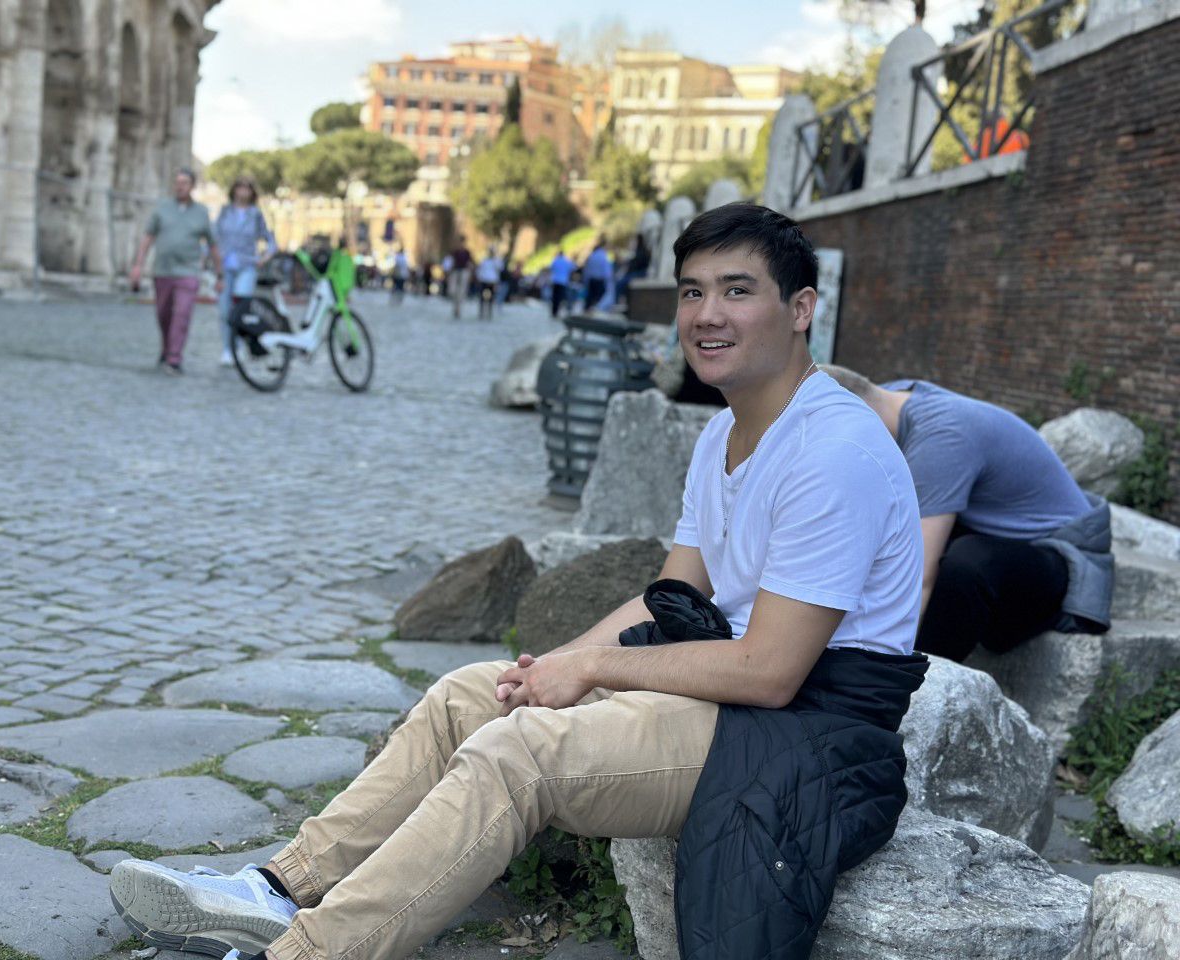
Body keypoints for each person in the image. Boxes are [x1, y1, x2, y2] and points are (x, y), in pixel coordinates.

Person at [108, 203, 928, 960]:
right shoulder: (723, 434)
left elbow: (772, 671)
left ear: (800, 308)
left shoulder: (834, 450)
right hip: (724, 696)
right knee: (478, 695)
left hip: (807, 731)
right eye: (692, 292)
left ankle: (310, 952)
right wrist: (548, 669)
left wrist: (595, 671)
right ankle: (280, 887)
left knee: (520, 752)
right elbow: (672, 601)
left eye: (737, 291)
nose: (707, 314)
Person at [822, 366, 1113, 662]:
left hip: (1063, 560)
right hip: (995, 536)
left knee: (965, 563)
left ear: (855, 414)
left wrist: (880, 664)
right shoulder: (889, 397)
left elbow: (917, 580)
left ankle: (926, 680)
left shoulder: (940, 439)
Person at [129, 168, 222, 375]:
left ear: (192, 186)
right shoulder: (162, 208)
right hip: (162, 271)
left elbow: (213, 244)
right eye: (177, 182)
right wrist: (138, 265)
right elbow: (148, 237)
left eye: (185, 182)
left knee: (182, 314)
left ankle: (174, 358)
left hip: (188, 272)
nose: (180, 186)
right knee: (164, 315)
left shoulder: (201, 212)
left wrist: (219, 273)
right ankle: (166, 348)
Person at [213, 176, 277, 366]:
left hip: (247, 265)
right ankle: (227, 348)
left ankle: (240, 345)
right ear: (233, 190)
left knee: (241, 305)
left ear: (252, 192)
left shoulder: (256, 214)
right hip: (225, 267)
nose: (242, 192)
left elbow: (271, 240)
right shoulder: (225, 212)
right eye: (239, 187)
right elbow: (214, 238)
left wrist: (264, 257)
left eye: (247, 188)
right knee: (225, 309)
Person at [582, 236, 614, 311]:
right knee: (598, 301)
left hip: (591, 281)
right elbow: (607, 273)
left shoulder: (592, 256)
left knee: (590, 300)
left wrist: (585, 281)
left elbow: (587, 271)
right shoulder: (604, 257)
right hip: (600, 282)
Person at [446, 236, 473, 319]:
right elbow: (451, 262)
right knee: (453, 291)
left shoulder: (467, 252)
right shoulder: (455, 252)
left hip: (463, 272)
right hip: (455, 271)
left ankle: (458, 309)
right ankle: (455, 307)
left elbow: (470, 263)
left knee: (461, 292)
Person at [475, 246, 503, 320]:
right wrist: (479, 278)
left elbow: (500, 268)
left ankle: (489, 312)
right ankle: (481, 312)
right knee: (482, 297)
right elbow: (480, 270)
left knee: (491, 297)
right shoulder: (484, 261)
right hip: (484, 280)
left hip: (492, 281)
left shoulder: (497, 261)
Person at [548, 248, 574, 319]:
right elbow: (573, 268)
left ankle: (554, 311)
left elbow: (551, 268)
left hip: (555, 281)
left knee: (554, 297)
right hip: (563, 281)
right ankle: (557, 311)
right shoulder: (567, 261)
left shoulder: (555, 260)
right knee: (560, 298)